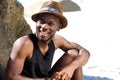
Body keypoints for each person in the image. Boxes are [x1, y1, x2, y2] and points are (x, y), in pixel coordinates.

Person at [5, 0, 90, 80]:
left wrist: (71, 68)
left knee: (74, 54)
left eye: (50, 23)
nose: (44, 27)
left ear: (59, 27)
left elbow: (84, 52)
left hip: (47, 78)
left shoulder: (57, 40)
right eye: (41, 21)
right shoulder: (24, 44)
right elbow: (10, 77)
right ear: (36, 22)